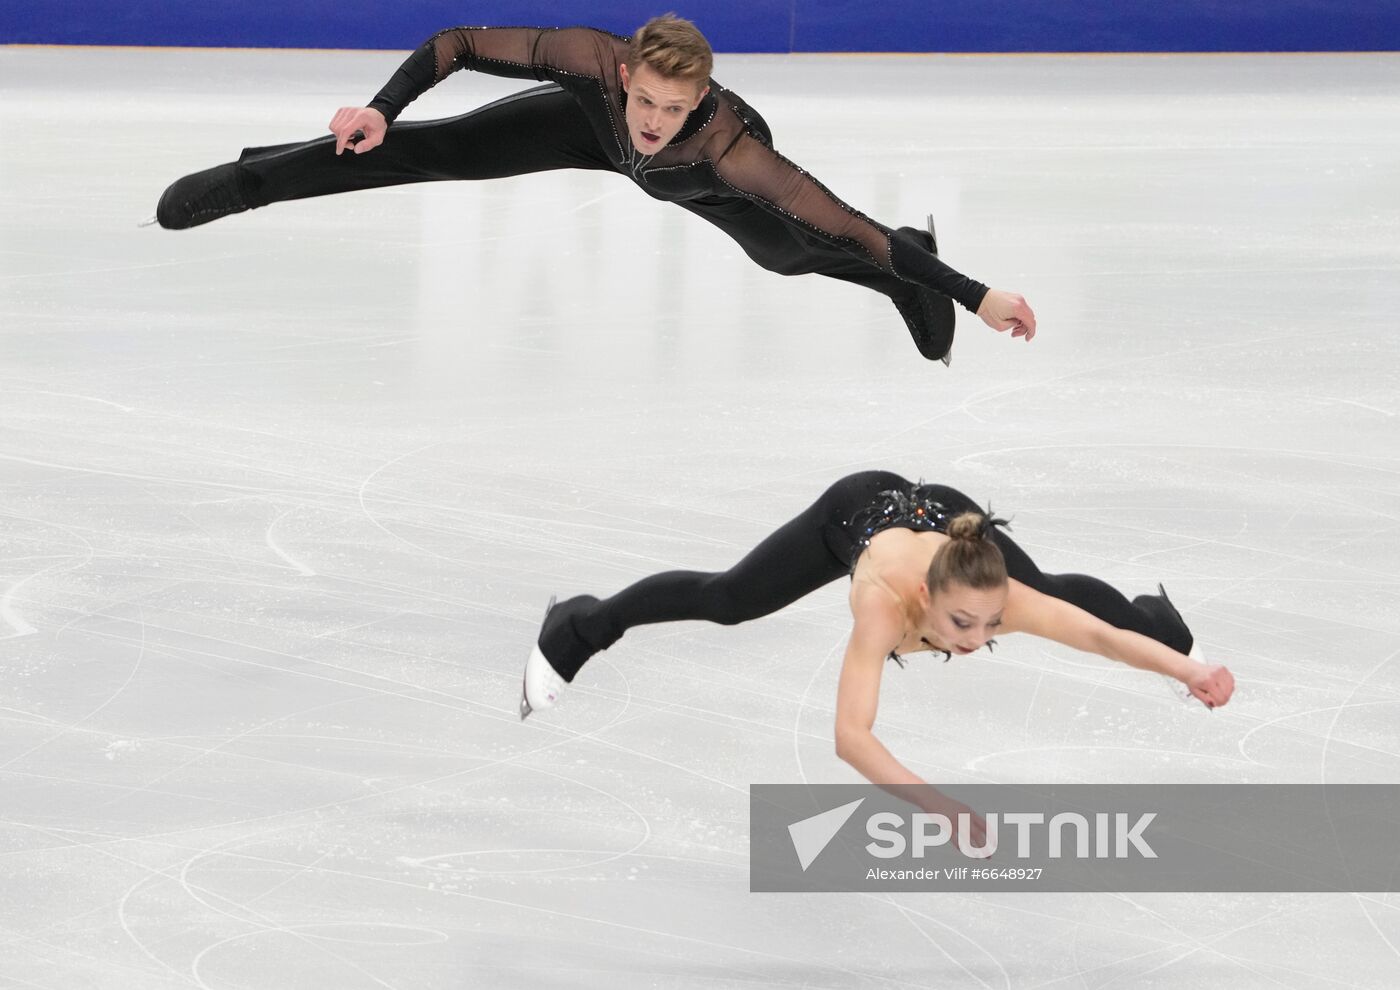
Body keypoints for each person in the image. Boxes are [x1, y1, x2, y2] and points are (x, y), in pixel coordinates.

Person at [154, 15, 1036, 363]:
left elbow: (851, 221)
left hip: (695, 187)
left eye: (671, 106)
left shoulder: (730, 153)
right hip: (584, 132)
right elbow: (457, 44)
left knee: (795, 251)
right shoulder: (592, 65)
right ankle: (254, 177)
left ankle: (911, 279)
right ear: (625, 72)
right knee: (440, 147)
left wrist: (981, 292)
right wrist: (381, 107)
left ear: (702, 102)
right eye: (643, 97)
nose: (652, 116)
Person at [519, 471, 1236, 836]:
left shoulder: (985, 592)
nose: (977, 641)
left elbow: (1098, 637)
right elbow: (850, 737)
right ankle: (579, 627)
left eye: (990, 625)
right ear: (924, 602)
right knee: (730, 599)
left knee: (1049, 596)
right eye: (964, 625)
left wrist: (1188, 668)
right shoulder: (881, 610)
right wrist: (939, 808)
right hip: (855, 513)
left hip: (942, 514)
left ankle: (1159, 623)